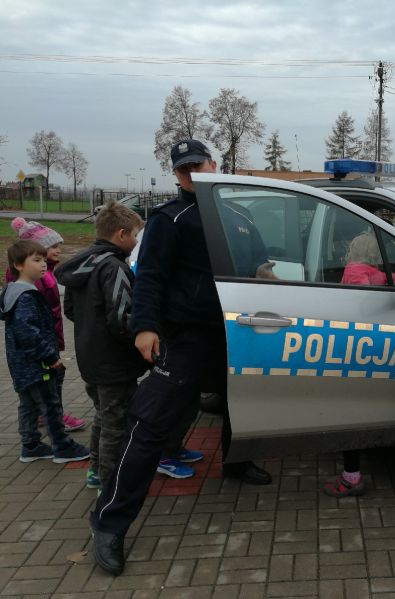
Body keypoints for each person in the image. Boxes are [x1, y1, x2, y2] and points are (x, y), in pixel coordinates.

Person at [90, 139, 272, 576]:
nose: (192, 172)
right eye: (183, 168)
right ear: (176, 174)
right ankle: (109, 522)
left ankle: (236, 462)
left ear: (214, 164)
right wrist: (145, 326)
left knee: (241, 402)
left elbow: (261, 269)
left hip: (237, 332)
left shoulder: (241, 217)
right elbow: (150, 277)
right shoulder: (169, 218)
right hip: (188, 337)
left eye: (198, 164)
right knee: (149, 425)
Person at [55, 202, 149, 490]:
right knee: (116, 424)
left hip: (90, 357)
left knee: (103, 416)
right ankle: (111, 485)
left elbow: (70, 309)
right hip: (114, 363)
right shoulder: (115, 268)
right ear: (121, 234)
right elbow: (122, 319)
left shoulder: (85, 264)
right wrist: (143, 334)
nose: (136, 242)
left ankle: (96, 470)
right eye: (135, 235)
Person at [0, 240, 90, 464]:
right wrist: (50, 356)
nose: (43, 264)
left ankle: (30, 445)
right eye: (37, 260)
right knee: (50, 404)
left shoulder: (12, 291)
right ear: (18, 265)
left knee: (28, 404)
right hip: (38, 364)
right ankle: (62, 446)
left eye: (43, 259)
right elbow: (27, 332)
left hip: (21, 365)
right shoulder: (26, 296)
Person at [322, 232, 395, 498]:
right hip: (367, 347)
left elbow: (362, 301)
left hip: (354, 348)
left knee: (349, 412)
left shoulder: (354, 271)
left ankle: (351, 477)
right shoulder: (372, 274)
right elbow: (374, 295)